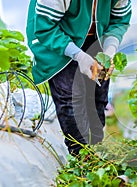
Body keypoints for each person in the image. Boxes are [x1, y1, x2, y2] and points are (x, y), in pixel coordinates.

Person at [26, 0, 131, 155]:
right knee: (71, 98)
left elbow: (119, 20)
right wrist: (79, 55)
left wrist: (109, 50)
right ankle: (81, 157)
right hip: (56, 39)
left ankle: (95, 150)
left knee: (98, 97)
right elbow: (45, 29)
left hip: (94, 37)